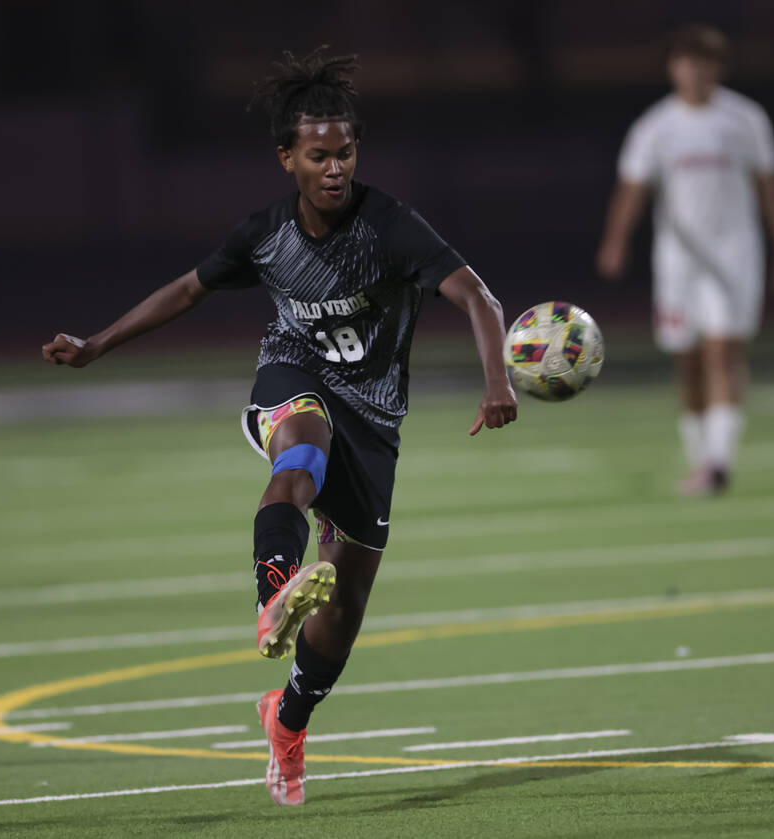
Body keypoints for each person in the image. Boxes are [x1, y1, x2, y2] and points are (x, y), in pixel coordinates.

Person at [41, 48, 518, 807]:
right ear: (287, 157)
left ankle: (288, 718)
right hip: (292, 379)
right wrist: (97, 343)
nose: (335, 167)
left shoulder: (390, 225)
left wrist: (498, 380)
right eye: (318, 154)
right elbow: (187, 291)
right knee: (302, 446)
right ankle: (272, 585)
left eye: (346, 152)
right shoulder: (266, 235)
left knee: (347, 606)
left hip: (376, 419)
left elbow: (480, 299)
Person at [596, 23, 774, 495]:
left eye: (703, 63)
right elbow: (632, 189)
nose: (693, 72)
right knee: (687, 360)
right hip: (678, 261)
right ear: (672, 68)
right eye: (684, 62)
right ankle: (699, 458)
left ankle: (718, 463)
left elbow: (769, 186)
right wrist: (616, 241)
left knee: (723, 351)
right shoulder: (656, 126)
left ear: (718, 68)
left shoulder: (745, 118)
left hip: (735, 254)